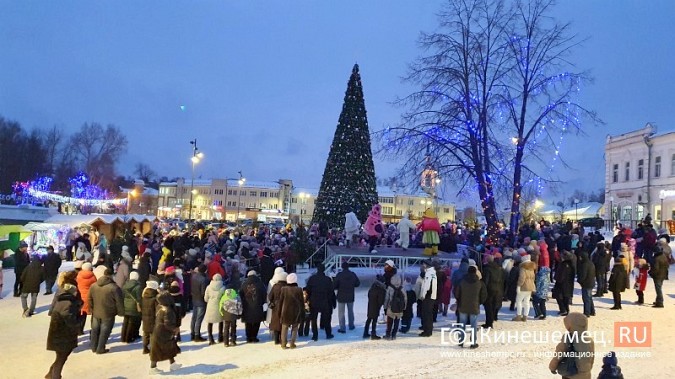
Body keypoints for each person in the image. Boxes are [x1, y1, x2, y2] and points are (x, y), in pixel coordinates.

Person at [45, 283, 82, 379]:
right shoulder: (69, 303)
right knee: (61, 359)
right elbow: (70, 321)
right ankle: (54, 376)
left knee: (60, 357)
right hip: (64, 336)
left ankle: (50, 374)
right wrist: (80, 320)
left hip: (56, 335)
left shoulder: (60, 301)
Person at [88, 267, 124, 354]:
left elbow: (90, 299)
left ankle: (93, 346)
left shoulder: (93, 286)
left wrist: (91, 308)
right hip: (108, 313)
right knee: (105, 330)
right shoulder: (114, 287)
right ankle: (100, 348)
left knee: (95, 329)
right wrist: (121, 312)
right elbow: (119, 302)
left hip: (96, 311)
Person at [548, 312, 595, 379]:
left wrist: (552, 366)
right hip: (585, 374)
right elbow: (591, 357)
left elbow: (559, 354)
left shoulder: (568, 337)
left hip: (570, 373)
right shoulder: (589, 340)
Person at [149, 292, 182, 374]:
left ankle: (173, 364)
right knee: (158, 350)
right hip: (163, 334)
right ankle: (153, 368)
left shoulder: (160, 307)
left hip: (159, 332)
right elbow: (168, 324)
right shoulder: (168, 310)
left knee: (168, 349)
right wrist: (175, 330)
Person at [454, 265, 487, 348]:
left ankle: (461, 341)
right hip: (474, 306)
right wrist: (479, 302)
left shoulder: (461, 281)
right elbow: (484, 295)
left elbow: (456, 293)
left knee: (462, 324)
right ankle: (473, 343)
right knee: (473, 325)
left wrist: (459, 300)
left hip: (463, 306)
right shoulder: (480, 283)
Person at [305, 263, 336, 341]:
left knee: (314, 319)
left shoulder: (312, 278)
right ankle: (328, 334)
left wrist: (307, 300)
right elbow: (331, 292)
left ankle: (315, 335)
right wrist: (333, 302)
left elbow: (308, 290)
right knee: (326, 319)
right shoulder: (327, 279)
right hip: (325, 302)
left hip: (314, 301)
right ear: (324, 270)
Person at [278, 273, 304, 349]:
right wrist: (302, 312)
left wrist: (279, 312)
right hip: (296, 312)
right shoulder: (299, 289)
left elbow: (281, 302)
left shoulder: (283, 289)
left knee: (284, 327)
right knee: (295, 327)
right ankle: (292, 343)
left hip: (285, 311)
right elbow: (301, 302)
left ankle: (283, 343)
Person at [334, 261, 360, 333]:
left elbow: (334, 285)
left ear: (342, 267)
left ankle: (342, 328)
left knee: (341, 313)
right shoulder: (352, 274)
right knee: (350, 311)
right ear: (348, 267)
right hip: (350, 295)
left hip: (341, 296)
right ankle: (351, 325)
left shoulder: (339, 275)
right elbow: (357, 283)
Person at [240, 270, 266, 343]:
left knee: (248, 322)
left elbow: (240, 294)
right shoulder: (260, 283)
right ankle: (254, 336)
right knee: (256, 322)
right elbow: (264, 294)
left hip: (246, 306)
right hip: (257, 305)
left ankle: (248, 337)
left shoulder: (244, 284)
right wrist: (262, 302)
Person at [481, 255, 503, 328]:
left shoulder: (487, 269)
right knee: (493, 305)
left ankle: (489, 322)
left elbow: (486, 281)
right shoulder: (499, 268)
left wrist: (483, 289)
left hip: (489, 289)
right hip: (498, 288)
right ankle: (492, 319)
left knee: (488, 306)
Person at [383, 274, 407, 340]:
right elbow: (405, 299)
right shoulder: (402, 288)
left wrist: (385, 307)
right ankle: (394, 335)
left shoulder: (390, 288)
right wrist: (404, 307)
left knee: (389, 322)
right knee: (397, 322)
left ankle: (388, 335)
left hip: (391, 308)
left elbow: (386, 299)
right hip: (399, 308)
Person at [513, 254, 535, 322]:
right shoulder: (532, 269)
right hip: (530, 287)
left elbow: (521, 278)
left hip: (523, 287)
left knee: (519, 301)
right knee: (527, 302)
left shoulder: (523, 268)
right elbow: (533, 278)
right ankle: (525, 316)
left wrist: (518, 286)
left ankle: (518, 316)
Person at [121, 271, 142, 343]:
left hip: (126, 304)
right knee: (131, 322)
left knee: (125, 321)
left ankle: (123, 337)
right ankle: (128, 338)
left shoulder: (125, 285)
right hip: (133, 306)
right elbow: (139, 298)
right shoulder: (138, 286)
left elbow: (122, 295)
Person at [204, 273, 225, 345]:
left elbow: (205, 299)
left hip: (210, 306)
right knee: (221, 321)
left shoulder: (208, 287)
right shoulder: (223, 288)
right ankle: (220, 336)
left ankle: (211, 338)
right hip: (219, 306)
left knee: (210, 322)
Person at [268, 271, 288, 344]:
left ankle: (276, 339)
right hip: (285, 305)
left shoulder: (275, 286)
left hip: (276, 306)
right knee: (283, 322)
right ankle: (282, 338)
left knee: (276, 322)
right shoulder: (287, 287)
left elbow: (270, 296)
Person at [364, 274, 386, 340]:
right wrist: (381, 304)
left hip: (370, 304)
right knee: (374, 320)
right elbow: (381, 300)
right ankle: (373, 334)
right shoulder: (381, 289)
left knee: (369, 319)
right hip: (376, 306)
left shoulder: (373, 287)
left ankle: (365, 332)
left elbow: (369, 295)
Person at [553, 251, 575, 316]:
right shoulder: (571, 264)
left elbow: (561, 275)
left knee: (559, 296)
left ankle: (563, 309)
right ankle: (566, 309)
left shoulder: (563, 264)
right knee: (566, 297)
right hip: (568, 283)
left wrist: (557, 278)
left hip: (562, 283)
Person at [190, 264, 208, 342]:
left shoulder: (194, 276)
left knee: (194, 317)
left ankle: (193, 333)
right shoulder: (203, 279)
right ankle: (197, 335)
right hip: (201, 300)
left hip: (194, 298)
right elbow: (203, 292)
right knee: (199, 318)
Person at [419, 260, 437, 337]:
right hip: (431, 296)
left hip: (428, 296)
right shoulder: (433, 273)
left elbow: (426, 286)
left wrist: (423, 295)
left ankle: (427, 331)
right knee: (429, 314)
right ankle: (428, 330)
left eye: (423, 264)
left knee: (426, 314)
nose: (423, 266)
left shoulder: (429, 274)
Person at [141, 279, 159, 354]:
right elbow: (157, 309)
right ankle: (152, 349)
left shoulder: (144, 296)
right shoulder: (155, 298)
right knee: (153, 334)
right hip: (153, 318)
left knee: (146, 333)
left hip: (145, 318)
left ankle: (145, 348)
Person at [577, 251, 596, 317]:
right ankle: (592, 311)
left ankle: (587, 313)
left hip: (586, 283)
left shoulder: (584, 265)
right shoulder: (591, 263)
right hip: (591, 282)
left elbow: (583, 275)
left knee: (586, 299)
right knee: (589, 298)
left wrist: (579, 281)